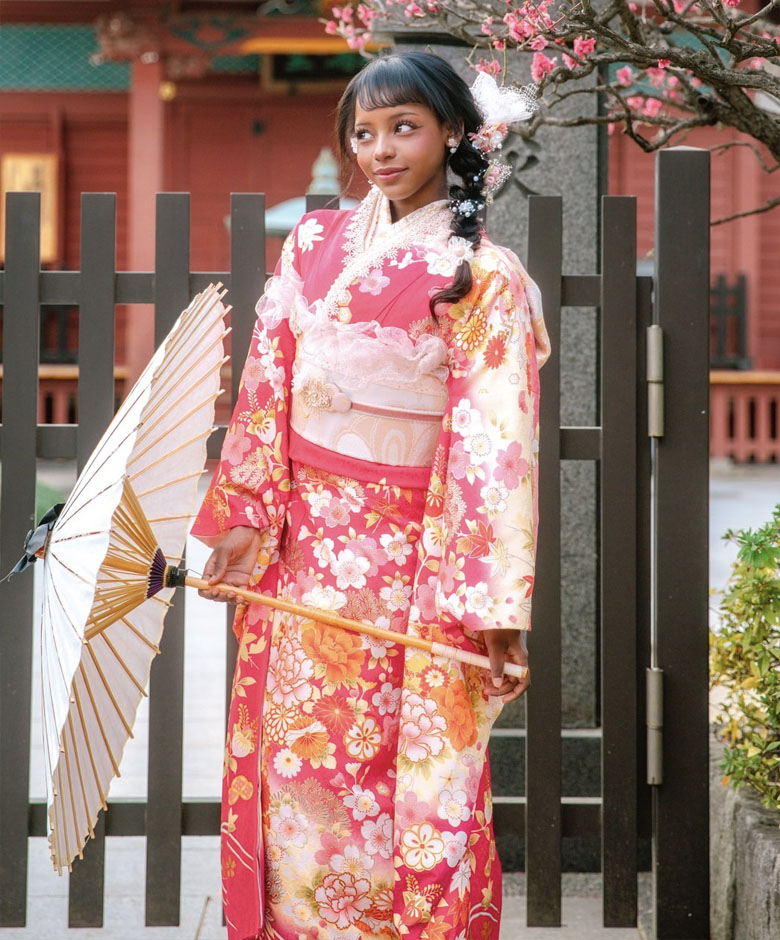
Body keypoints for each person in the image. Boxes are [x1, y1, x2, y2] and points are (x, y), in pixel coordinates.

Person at [192, 50, 550, 940]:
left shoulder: (482, 273)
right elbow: (265, 389)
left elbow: (493, 445)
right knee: (295, 767)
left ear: (454, 135)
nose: (379, 149)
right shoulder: (312, 243)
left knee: (404, 775)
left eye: (404, 127)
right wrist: (242, 524)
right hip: (303, 555)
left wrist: (488, 606)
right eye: (364, 132)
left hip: (412, 566)